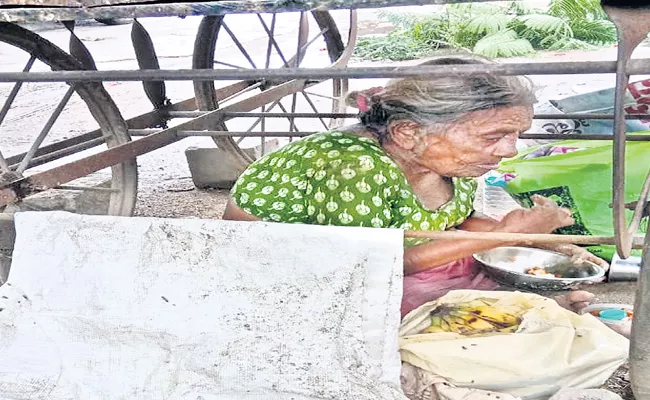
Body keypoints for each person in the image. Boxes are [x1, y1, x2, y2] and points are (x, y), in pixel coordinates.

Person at [222, 54, 608, 317]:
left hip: (388, 253)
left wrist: (535, 239)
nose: (509, 151)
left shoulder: (446, 158)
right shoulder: (351, 165)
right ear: (409, 132)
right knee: (417, 303)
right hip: (297, 270)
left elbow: (453, 223)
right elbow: (366, 266)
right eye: (494, 136)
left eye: (515, 135)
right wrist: (504, 234)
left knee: (478, 269)